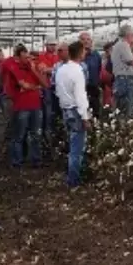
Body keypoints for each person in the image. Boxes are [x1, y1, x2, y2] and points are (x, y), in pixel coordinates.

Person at [56, 40, 93, 189]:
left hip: (66, 109)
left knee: (72, 144)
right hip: (76, 111)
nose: (85, 53)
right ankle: (74, 181)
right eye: (84, 51)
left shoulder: (61, 69)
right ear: (80, 52)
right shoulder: (77, 70)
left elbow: (58, 91)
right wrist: (85, 117)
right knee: (76, 149)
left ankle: (73, 176)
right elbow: (80, 96)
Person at [5, 47, 44, 168]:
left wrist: (33, 70)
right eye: (25, 57)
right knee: (19, 135)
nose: (28, 60)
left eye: (28, 57)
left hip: (35, 105)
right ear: (17, 58)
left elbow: (44, 83)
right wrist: (36, 87)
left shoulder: (33, 68)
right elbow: (23, 85)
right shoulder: (14, 68)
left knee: (35, 134)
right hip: (21, 106)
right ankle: (17, 161)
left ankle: (35, 160)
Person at [110, 25, 133, 117]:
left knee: (121, 107)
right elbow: (131, 62)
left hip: (120, 80)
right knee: (126, 109)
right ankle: (125, 127)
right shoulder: (124, 44)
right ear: (128, 35)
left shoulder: (117, 46)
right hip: (125, 80)